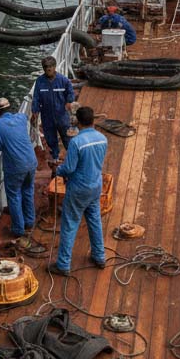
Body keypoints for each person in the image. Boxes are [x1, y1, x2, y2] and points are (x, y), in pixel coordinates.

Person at [49, 105, 108, 276]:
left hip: (78, 189)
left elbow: (69, 168)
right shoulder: (103, 139)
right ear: (92, 120)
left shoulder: (76, 142)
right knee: (94, 221)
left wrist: (57, 169)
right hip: (95, 186)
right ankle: (99, 257)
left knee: (69, 224)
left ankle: (63, 264)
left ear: (78, 122)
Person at [0, 96, 37, 243]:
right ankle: (30, 221)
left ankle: (18, 229)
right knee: (28, 190)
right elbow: (27, 118)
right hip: (31, 161)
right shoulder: (21, 117)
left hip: (15, 166)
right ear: (10, 108)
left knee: (14, 195)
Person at [32, 56, 75, 161]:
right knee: (50, 139)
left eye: (50, 66)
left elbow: (70, 92)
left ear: (55, 67)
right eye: (45, 67)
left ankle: (73, 158)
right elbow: (36, 98)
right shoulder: (39, 81)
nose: (48, 69)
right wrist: (35, 112)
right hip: (47, 116)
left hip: (62, 116)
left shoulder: (63, 80)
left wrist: (69, 102)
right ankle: (55, 158)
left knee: (67, 138)